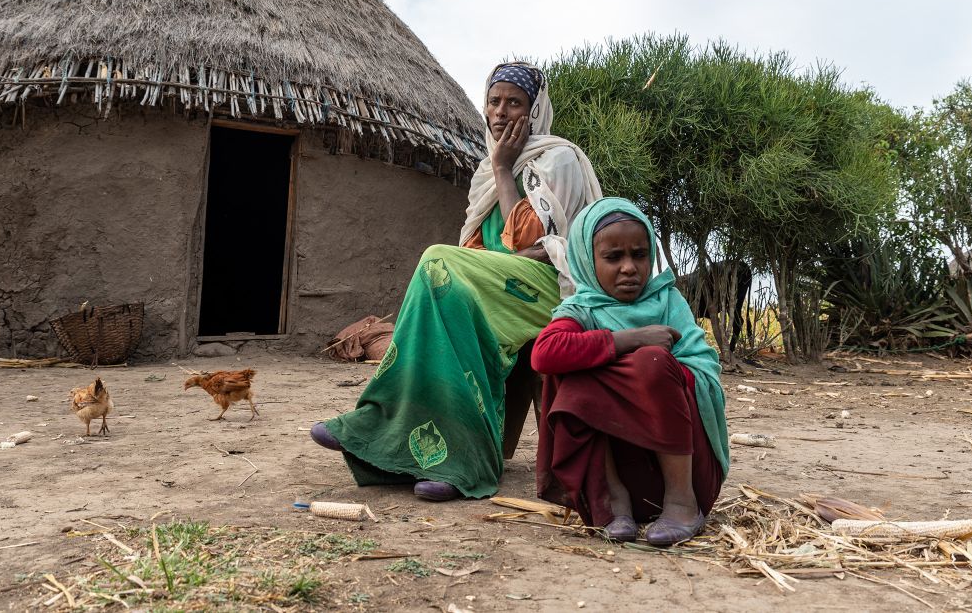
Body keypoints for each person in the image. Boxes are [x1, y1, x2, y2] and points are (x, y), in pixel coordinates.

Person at [310, 62, 603, 501]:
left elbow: (531, 238)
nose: (501, 112)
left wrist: (506, 169)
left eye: (515, 103)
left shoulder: (558, 159)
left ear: (536, 110)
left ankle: (377, 422)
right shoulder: (485, 170)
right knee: (442, 293)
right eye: (494, 101)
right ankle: (448, 459)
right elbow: (481, 250)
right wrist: (499, 176)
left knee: (436, 260)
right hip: (498, 285)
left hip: (548, 289)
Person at [531, 198, 729, 545]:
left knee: (650, 362)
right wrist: (630, 339)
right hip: (617, 473)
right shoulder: (581, 308)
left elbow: (703, 371)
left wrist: (645, 363)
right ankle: (613, 500)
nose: (628, 268)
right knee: (574, 365)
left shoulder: (667, 302)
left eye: (639, 255)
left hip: (682, 471)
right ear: (586, 261)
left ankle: (682, 504)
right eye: (613, 257)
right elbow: (544, 354)